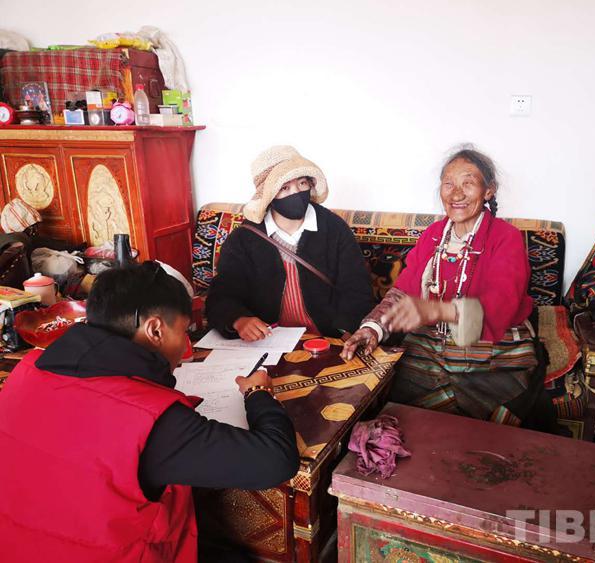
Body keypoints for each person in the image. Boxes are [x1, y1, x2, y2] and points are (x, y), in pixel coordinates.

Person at [0, 262, 299, 562]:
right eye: (183, 332)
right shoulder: (147, 419)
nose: (185, 348)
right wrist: (258, 393)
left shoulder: (24, 373)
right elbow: (275, 460)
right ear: (155, 329)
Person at [342, 146, 555, 431]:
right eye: (448, 184)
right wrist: (372, 329)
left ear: (488, 190)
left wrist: (436, 310)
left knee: (467, 419)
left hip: (493, 348)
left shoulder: (506, 238)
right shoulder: (433, 236)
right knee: (385, 397)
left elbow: (501, 305)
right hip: (430, 344)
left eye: (468, 183)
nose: (456, 194)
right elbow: (402, 291)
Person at [206, 145, 373, 341]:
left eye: (302, 183)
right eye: (284, 188)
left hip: (326, 339)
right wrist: (238, 319)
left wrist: (346, 330)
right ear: (269, 196)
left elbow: (357, 288)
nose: (296, 192)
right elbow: (222, 293)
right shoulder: (244, 238)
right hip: (267, 339)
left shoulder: (334, 228)